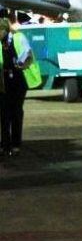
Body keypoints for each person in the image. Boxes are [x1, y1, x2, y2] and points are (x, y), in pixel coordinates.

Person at [0, 18, 42, 156]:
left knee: (16, 112)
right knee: (4, 113)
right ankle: (5, 145)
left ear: (4, 30)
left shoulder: (18, 37)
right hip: (4, 79)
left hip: (19, 78)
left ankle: (16, 144)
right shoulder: (1, 42)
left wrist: (21, 65)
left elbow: (28, 55)